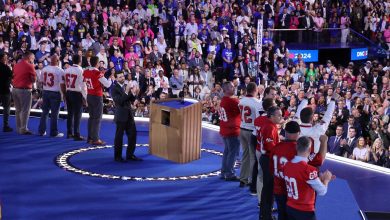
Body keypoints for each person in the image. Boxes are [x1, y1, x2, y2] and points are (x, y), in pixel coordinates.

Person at [270, 122, 328, 220]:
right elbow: (319, 160)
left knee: (282, 215)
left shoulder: (276, 147)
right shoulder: (304, 160)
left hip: (279, 188)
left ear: (285, 132)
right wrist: (324, 142)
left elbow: (271, 168)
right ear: (299, 133)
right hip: (298, 198)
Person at [283, 136, 335, 220]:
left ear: (297, 147)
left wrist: (319, 179)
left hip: (290, 207)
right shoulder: (309, 170)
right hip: (304, 211)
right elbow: (322, 191)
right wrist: (326, 180)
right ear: (309, 150)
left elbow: (300, 181)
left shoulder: (286, 165)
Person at [254, 106, 283, 220]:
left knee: (268, 189)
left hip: (266, 159)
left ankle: (265, 214)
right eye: (279, 115)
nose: (281, 117)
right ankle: (266, 216)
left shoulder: (269, 125)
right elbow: (270, 147)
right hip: (268, 160)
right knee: (269, 189)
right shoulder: (269, 128)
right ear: (271, 116)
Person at [111, 71, 142, 162]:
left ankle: (130, 155)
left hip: (129, 115)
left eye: (123, 76)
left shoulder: (125, 86)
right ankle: (118, 157)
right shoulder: (114, 89)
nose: (122, 78)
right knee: (119, 137)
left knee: (133, 135)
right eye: (120, 77)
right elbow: (119, 101)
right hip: (120, 116)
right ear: (116, 79)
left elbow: (131, 100)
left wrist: (134, 93)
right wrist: (127, 91)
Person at [83, 56, 112, 145]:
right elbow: (107, 84)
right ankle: (95, 139)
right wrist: (111, 78)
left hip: (89, 95)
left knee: (91, 117)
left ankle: (90, 138)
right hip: (96, 96)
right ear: (97, 63)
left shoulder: (86, 72)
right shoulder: (97, 72)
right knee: (97, 118)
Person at [238, 82, 261, 187]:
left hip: (242, 129)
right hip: (251, 131)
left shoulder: (241, 101)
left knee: (245, 155)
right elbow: (258, 119)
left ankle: (243, 178)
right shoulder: (257, 102)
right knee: (253, 157)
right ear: (255, 90)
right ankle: (252, 180)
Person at [218, 81, 241, 181]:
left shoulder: (223, 100)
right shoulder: (233, 101)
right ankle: (230, 173)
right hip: (232, 131)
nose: (234, 88)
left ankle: (224, 172)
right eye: (232, 87)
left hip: (224, 130)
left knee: (227, 151)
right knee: (232, 153)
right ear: (226, 90)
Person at [37, 55, 64, 137]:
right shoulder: (60, 70)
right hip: (55, 93)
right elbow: (62, 84)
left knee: (44, 112)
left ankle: (41, 131)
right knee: (54, 113)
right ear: (57, 61)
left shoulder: (44, 69)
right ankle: (53, 132)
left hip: (45, 92)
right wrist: (64, 94)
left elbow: (41, 82)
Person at [63, 54, 87, 141]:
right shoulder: (81, 70)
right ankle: (76, 134)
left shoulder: (67, 69)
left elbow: (64, 83)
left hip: (69, 92)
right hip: (77, 93)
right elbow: (83, 85)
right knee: (77, 115)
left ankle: (69, 133)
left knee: (70, 114)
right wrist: (85, 97)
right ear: (80, 60)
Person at [12, 51, 36, 135]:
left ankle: (19, 128)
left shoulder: (16, 65)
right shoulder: (30, 66)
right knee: (25, 110)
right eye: (33, 58)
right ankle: (23, 129)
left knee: (18, 110)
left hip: (15, 89)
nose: (33, 60)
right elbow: (34, 80)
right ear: (29, 57)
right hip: (24, 90)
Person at [0, 53, 13, 132]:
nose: (7, 59)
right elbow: (12, 76)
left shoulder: (6, 67)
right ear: (1, 59)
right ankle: (6, 126)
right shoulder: (6, 68)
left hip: (3, 90)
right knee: (6, 108)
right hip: (5, 90)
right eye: (5, 58)